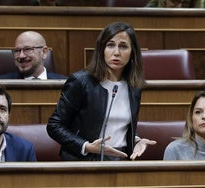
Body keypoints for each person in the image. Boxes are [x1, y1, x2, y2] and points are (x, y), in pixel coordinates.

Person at [46, 22, 156, 161]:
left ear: (132, 52)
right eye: (110, 45)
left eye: (123, 46)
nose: (116, 52)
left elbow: (118, 126)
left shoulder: (134, 87)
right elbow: (54, 126)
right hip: (84, 161)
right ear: (101, 49)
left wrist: (136, 140)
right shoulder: (81, 82)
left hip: (121, 159)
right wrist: (86, 146)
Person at [0, 31, 67, 80]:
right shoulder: (0, 84)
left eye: (28, 49)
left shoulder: (66, 84)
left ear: (44, 52)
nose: (21, 56)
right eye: (17, 50)